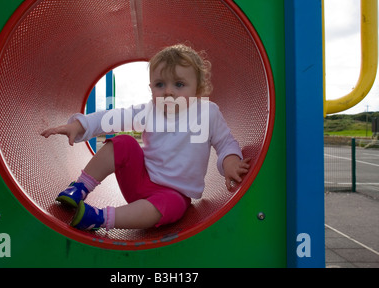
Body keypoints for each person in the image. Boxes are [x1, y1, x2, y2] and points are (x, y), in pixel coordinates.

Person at [41, 44, 250, 231]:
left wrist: (230, 161)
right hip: (139, 180)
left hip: (173, 194)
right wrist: (79, 126)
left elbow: (225, 143)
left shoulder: (207, 113)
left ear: (198, 87)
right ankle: (80, 187)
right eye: (160, 85)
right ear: (151, 88)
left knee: (172, 206)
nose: (168, 91)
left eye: (179, 84)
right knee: (124, 143)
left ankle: (99, 217)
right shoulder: (150, 111)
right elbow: (112, 118)